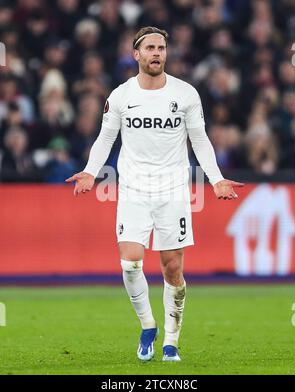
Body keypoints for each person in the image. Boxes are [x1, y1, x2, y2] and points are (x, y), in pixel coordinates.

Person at [66, 26, 244, 362]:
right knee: (130, 263)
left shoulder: (186, 94)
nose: (156, 53)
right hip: (133, 188)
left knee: (171, 268)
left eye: (161, 47)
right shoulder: (120, 96)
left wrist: (216, 179)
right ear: (136, 54)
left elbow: (200, 140)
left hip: (173, 190)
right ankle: (148, 326)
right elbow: (105, 139)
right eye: (150, 48)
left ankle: (171, 343)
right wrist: (91, 172)